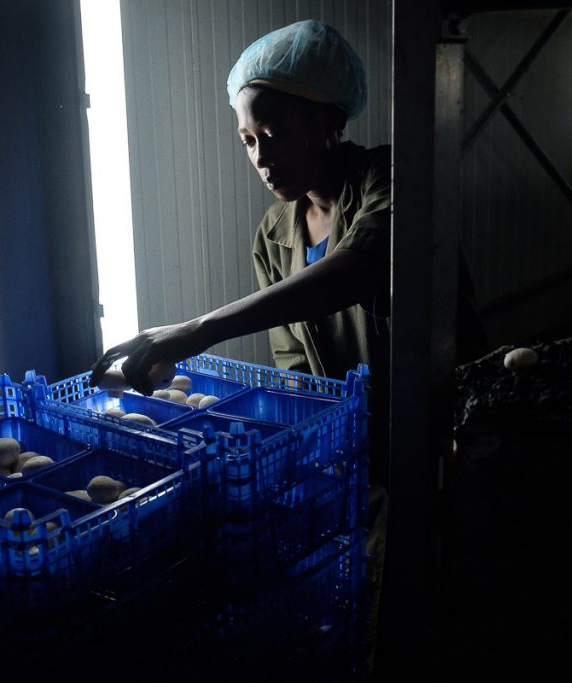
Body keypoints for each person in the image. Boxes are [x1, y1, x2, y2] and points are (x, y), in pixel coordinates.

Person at [89, 20, 488, 484]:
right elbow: (297, 367)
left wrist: (198, 330)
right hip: (361, 451)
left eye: (271, 134)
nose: (260, 157)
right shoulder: (273, 236)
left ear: (329, 121)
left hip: (445, 429)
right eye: (248, 141)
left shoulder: (393, 178)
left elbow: (357, 269)